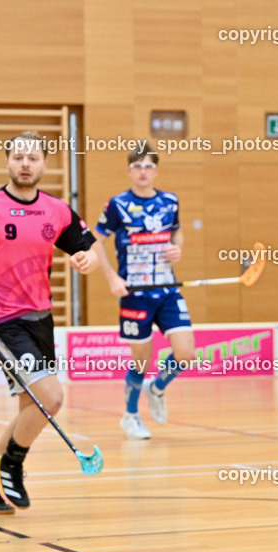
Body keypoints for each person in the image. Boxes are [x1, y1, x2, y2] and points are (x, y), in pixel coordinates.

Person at [0, 131, 99, 513]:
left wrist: (87, 259)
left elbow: (89, 246)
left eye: (33, 158)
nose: (26, 164)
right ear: (8, 161)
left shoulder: (56, 210)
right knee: (50, 398)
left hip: (41, 319)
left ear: (44, 164)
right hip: (2, 321)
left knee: (31, 409)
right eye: (19, 157)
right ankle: (11, 466)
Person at [92, 143, 194, 439]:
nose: (143, 172)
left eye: (148, 166)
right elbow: (95, 241)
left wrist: (177, 247)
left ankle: (157, 388)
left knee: (186, 353)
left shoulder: (170, 201)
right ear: (129, 170)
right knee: (141, 359)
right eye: (137, 166)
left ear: (156, 170)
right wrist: (112, 278)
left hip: (167, 289)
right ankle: (131, 415)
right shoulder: (117, 205)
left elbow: (177, 231)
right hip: (135, 293)